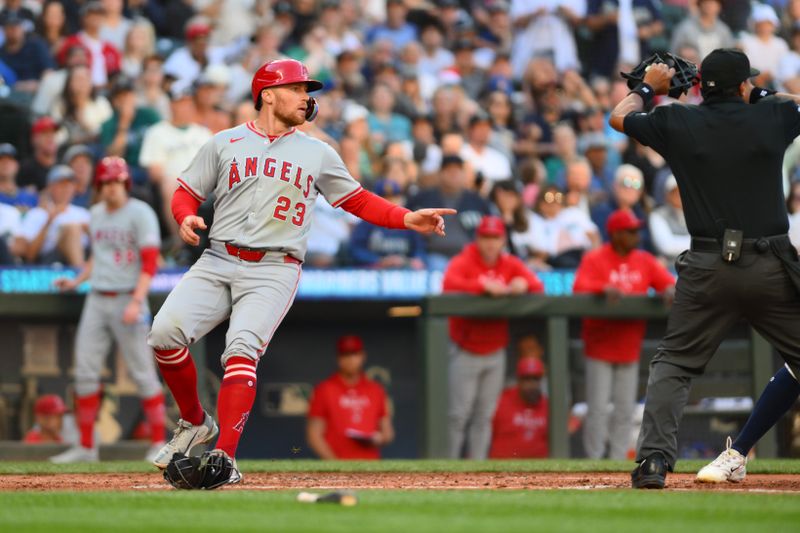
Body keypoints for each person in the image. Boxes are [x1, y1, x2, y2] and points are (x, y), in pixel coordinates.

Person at [146, 59, 455, 486]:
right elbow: (186, 191)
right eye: (297, 88)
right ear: (268, 94)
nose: (307, 97)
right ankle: (195, 421)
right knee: (164, 333)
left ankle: (225, 458)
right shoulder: (225, 142)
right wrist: (183, 216)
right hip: (218, 258)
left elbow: (358, 200)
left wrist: (406, 218)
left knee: (239, 352)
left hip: (275, 267)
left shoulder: (317, 151)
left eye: (308, 90)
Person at [609, 48, 800, 489]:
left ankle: (654, 463)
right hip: (769, 263)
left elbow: (618, 118)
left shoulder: (679, 120)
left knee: (674, 362)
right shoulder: (771, 115)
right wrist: (761, 94)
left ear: (701, 88)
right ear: (742, 85)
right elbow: (791, 101)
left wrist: (647, 88)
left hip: (707, 266)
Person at [49, 157, 165, 464]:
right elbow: (97, 258)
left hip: (129, 297)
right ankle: (86, 447)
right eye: (107, 182)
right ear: (99, 185)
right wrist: (76, 281)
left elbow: (150, 263)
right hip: (97, 298)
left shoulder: (140, 213)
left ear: (125, 183)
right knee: (85, 372)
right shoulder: (97, 214)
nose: (112, 188)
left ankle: (158, 443)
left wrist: (137, 301)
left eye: (117, 182)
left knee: (143, 373)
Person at [573, 209, 675, 460]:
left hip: (629, 346)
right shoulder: (596, 259)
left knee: (624, 411)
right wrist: (601, 288)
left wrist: (669, 289)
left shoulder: (644, 259)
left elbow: (668, 283)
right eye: (629, 231)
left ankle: (617, 461)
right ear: (615, 234)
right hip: (600, 346)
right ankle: (594, 461)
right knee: (597, 410)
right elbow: (579, 287)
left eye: (636, 230)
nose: (635, 235)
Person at [442, 215, 544, 459]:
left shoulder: (509, 263)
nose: (490, 243)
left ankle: (475, 470)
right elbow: (448, 283)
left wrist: (522, 283)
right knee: (458, 415)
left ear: (502, 240)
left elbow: (538, 286)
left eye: (495, 238)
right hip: (465, 349)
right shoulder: (466, 259)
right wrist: (481, 285)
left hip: (495, 351)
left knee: (484, 416)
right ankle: (446, 468)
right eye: (486, 237)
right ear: (478, 239)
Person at [306, 335, 394, 459]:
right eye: (345, 355)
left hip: (371, 466)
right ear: (338, 358)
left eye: (354, 354)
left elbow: (388, 433)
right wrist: (335, 466)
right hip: (337, 468)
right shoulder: (324, 389)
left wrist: (378, 439)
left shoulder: (376, 390)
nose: (350, 359)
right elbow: (314, 436)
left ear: (362, 356)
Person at [13, 165, 90, 266]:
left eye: (69, 184)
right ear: (50, 187)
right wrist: (49, 221)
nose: (66, 189)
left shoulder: (84, 213)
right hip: (48, 262)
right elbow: (29, 255)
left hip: (84, 255)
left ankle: (81, 272)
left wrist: (87, 229)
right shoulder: (37, 213)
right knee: (72, 229)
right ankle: (81, 274)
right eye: (61, 184)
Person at [349, 180, 427, 269]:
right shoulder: (367, 222)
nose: (390, 202)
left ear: (402, 199)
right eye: (385, 198)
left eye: (395, 197)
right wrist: (378, 261)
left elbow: (420, 250)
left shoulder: (409, 222)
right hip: (374, 271)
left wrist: (414, 260)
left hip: (404, 271)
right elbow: (356, 250)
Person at [489, 357, 549, 459]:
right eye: (527, 379)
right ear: (519, 380)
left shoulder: (548, 405)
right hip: (502, 468)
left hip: (540, 471)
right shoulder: (501, 402)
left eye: (536, 379)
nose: (532, 384)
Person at [649, 175, 690, 264]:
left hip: (692, 266)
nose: (679, 195)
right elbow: (667, 247)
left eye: (682, 191)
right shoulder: (657, 215)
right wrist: (694, 243)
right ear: (667, 195)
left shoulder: (693, 215)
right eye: (675, 192)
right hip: (669, 267)